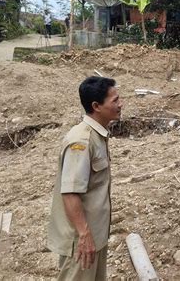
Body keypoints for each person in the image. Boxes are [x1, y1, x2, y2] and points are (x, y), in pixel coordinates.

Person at [47, 76, 122, 280]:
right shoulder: (81, 141)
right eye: (114, 100)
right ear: (96, 106)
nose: (120, 104)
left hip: (94, 235)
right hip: (82, 241)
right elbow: (70, 193)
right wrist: (84, 234)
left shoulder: (97, 135)